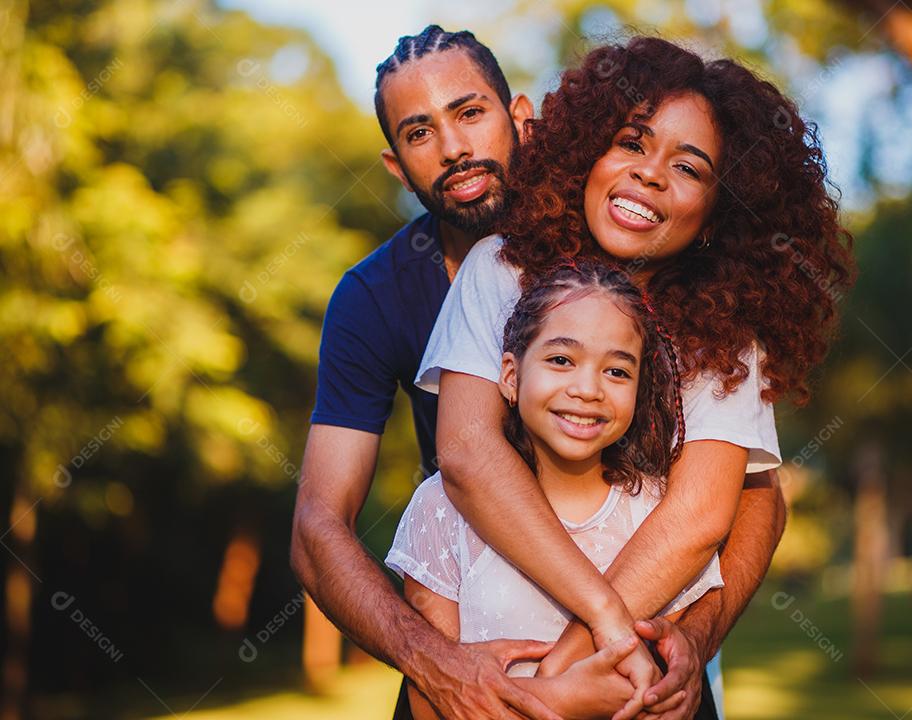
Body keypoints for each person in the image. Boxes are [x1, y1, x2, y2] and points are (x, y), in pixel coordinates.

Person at [292, 25, 787, 720]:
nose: (454, 147)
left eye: (469, 112)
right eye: (419, 132)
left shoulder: (719, 322)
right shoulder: (460, 276)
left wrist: (672, 641)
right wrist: (450, 668)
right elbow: (438, 469)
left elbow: (740, 504)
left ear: (521, 118)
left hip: (646, 631)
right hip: (481, 613)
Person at [417, 36, 856, 718]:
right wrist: (597, 625)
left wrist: (558, 676)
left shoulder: (725, 337)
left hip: (639, 683)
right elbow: (468, 452)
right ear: (587, 156)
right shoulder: (500, 267)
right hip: (490, 659)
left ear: (714, 216)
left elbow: (701, 517)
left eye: (688, 167)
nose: (649, 175)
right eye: (631, 142)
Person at [389, 260, 724, 720]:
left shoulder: (655, 515)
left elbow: (660, 692)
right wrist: (562, 700)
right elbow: (429, 701)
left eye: (617, 371)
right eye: (561, 360)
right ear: (510, 376)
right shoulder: (442, 510)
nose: (588, 389)